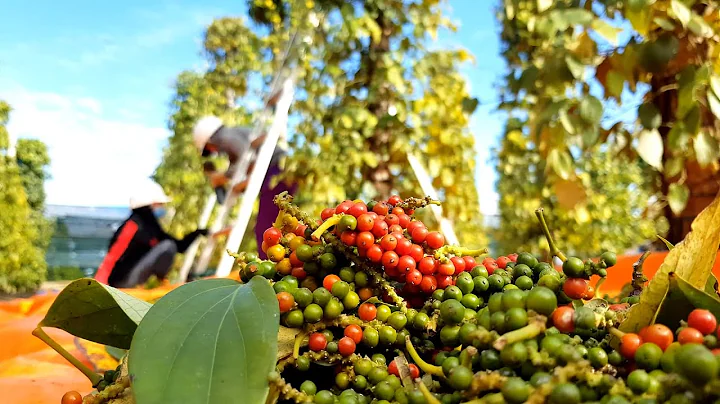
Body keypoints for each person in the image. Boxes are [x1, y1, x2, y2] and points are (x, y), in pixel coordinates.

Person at [192, 94, 296, 260]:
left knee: (267, 226)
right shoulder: (231, 137)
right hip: (277, 169)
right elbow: (243, 167)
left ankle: (272, 265)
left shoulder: (226, 137)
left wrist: (222, 177)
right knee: (276, 222)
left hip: (277, 169)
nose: (213, 152)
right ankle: (281, 261)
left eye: (208, 149)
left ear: (209, 140)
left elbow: (246, 161)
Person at [94, 179, 208, 288]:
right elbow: (113, 255)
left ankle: (160, 283)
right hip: (121, 281)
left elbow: (179, 247)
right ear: (150, 204)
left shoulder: (152, 227)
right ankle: (158, 283)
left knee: (168, 245)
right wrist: (101, 284)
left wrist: (197, 233)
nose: (162, 207)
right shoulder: (133, 225)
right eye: (160, 204)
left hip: (134, 275)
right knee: (167, 246)